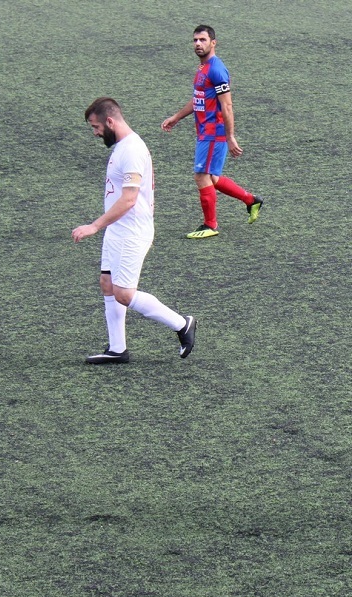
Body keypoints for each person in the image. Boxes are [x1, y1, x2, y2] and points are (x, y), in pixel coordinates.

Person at [73, 97, 197, 364]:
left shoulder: (131, 150)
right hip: (117, 229)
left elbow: (129, 199)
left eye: (96, 127)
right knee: (107, 283)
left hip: (132, 232)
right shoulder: (122, 146)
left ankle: (182, 323)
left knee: (124, 294)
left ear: (110, 121)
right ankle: (117, 349)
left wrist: (94, 226)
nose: (95, 133)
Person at [161, 24, 263, 239]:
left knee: (201, 176)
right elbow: (199, 98)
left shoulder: (216, 69)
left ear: (213, 43)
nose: (198, 44)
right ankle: (251, 201)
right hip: (205, 132)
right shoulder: (203, 68)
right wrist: (177, 117)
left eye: (203, 40)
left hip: (213, 133)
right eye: (195, 40)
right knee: (212, 178)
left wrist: (230, 136)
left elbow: (227, 105)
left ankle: (210, 225)